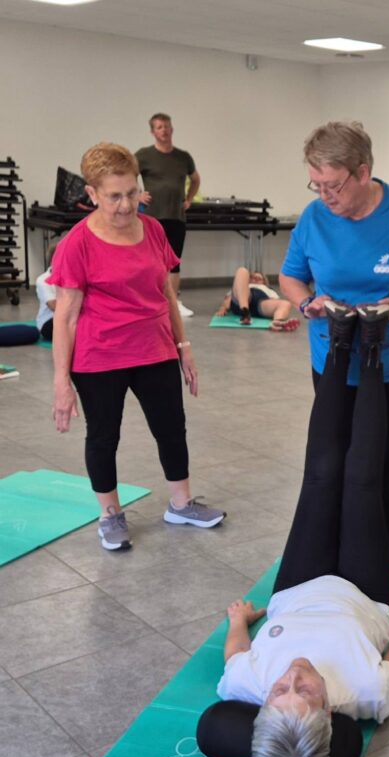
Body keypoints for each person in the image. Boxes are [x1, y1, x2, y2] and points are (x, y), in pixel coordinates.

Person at [216, 303, 389, 757]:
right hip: (366, 595)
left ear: (262, 707)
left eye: (280, 692)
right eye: (304, 691)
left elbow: (235, 658)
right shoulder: (367, 693)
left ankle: (338, 344)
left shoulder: (244, 687)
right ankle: (370, 345)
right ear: (329, 710)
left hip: (297, 588)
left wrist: (237, 620)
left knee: (320, 476)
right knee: (359, 480)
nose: (291, 677)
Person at [278, 121, 389, 565]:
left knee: (380, 469)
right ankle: (330, 557)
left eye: (333, 185)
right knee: (331, 465)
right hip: (332, 361)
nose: (325, 196)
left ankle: (379, 562)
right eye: (316, 184)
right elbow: (290, 276)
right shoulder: (314, 216)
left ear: (363, 173)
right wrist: (306, 305)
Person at [49, 142, 224, 552]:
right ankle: (109, 514)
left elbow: (165, 292)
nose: (126, 205)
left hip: (154, 347)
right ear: (92, 194)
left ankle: (180, 503)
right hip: (99, 355)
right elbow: (66, 316)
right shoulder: (77, 243)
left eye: (131, 192)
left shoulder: (154, 229)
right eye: (114, 196)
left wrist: (184, 344)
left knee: (171, 428)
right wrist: (61, 380)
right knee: (104, 435)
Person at [136, 113, 200, 318]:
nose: (164, 130)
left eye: (166, 126)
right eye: (159, 127)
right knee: (151, 259)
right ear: (153, 132)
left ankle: (174, 302)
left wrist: (188, 198)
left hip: (176, 215)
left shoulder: (183, 157)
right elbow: (128, 175)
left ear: (172, 129)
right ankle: (149, 300)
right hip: (153, 216)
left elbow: (196, 179)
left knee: (174, 261)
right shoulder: (144, 155)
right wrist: (137, 194)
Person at [214, 266, 299, 331]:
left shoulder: (268, 289)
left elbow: (275, 301)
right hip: (242, 299)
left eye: (258, 279)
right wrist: (223, 308)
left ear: (264, 282)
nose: (255, 280)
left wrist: (277, 309)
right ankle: (245, 312)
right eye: (252, 277)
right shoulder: (242, 285)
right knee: (242, 270)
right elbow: (229, 298)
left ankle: (277, 322)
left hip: (260, 303)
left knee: (286, 303)